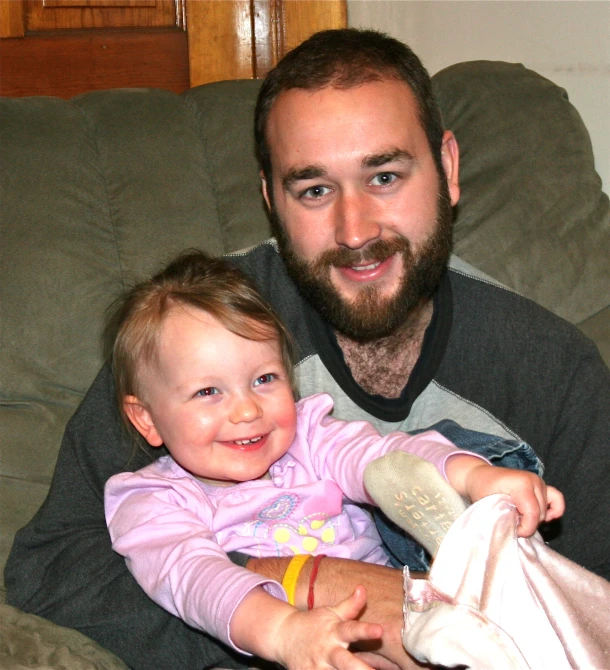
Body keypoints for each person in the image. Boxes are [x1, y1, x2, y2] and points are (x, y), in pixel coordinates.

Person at [6, 27, 610, 670]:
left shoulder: (550, 367)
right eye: (314, 190)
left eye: (383, 175)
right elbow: (54, 566)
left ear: (448, 169)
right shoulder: (200, 337)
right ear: (272, 201)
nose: (355, 231)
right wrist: (304, 601)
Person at [103, 250, 563, 670]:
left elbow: (376, 455)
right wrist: (282, 631)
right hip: (284, 648)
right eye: (208, 391)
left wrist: (475, 475)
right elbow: (191, 578)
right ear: (147, 419)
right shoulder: (153, 500)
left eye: (264, 379)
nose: (247, 411)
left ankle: (461, 512)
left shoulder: (308, 437)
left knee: (418, 449)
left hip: (406, 608)